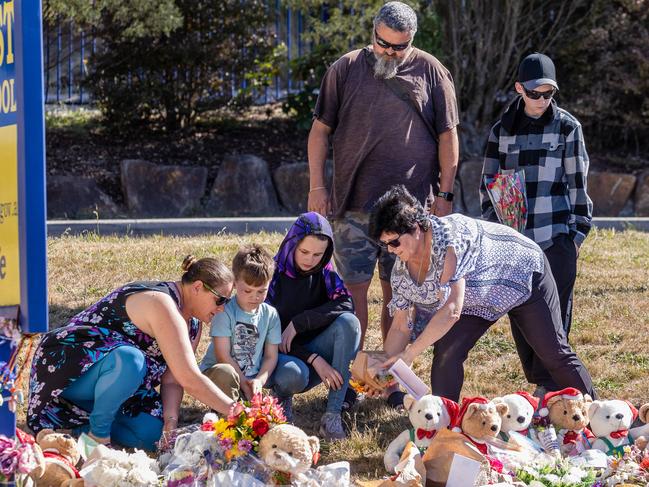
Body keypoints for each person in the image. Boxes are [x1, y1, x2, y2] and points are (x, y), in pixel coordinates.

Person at [307, 1, 460, 361]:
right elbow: (319, 132)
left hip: (409, 213)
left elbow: (448, 137)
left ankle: (389, 375)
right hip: (353, 204)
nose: (389, 53)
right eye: (383, 43)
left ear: (412, 40)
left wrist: (446, 192)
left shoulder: (433, 71)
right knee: (353, 292)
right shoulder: (344, 68)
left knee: (399, 295)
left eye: (399, 46)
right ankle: (353, 374)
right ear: (373, 33)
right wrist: (317, 186)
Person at [369, 185, 596, 403]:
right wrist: (384, 372)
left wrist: (409, 356)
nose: (390, 250)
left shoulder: (448, 239)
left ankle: (596, 414)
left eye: (394, 241)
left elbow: (451, 310)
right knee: (447, 353)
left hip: (522, 273)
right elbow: (400, 326)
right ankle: (445, 425)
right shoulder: (400, 271)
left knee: (553, 354)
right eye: (385, 244)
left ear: (416, 227)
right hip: (478, 297)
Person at [27, 256, 237, 451]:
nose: (222, 309)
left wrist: (170, 422)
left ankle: (80, 428)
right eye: (221, 300)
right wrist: (238, 412)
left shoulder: (193, 324)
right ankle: (97, 437)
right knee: (131, 360)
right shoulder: (162, 302)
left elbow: (173, 379)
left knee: (153, 436)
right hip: (69, 370)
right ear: (198, 287)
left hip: (116, 386)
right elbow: (190, 378)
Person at [480, 52, 593, 396]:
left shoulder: (568, 127)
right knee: (523, 317)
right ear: (519, 89)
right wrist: (494, 234)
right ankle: (541, 382)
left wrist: (576, 236)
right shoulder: (501, 132)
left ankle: (553, 388)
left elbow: (578, 183)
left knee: (555, 321)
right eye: (535, 93)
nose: (542, 100)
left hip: (556, 237)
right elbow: (489, 184)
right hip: (516, 245)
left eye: (549, 93)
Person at [265, 212, 361, 440]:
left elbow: (346, 302)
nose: (310, 260)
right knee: (291, 376)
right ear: (292, 243)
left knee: (350, 323)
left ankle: (333, 415)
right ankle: (282, 398)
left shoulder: (325, 273)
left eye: (318, 254)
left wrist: (300, 323)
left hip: (318, 347)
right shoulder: (273, 275)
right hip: (284, 356)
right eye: (304, 252)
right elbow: (271, 337)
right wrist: (314, 359)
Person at [199, 245, 281, 402]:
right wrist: (244, 384)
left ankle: (243, 405)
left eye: (261, 291)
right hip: (218, 376)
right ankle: (226, 409)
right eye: (247, 291)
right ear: (235, 283)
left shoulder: (270, 315)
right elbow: (223, 355)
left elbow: (271, 356)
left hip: (249, 378)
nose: (254, 297)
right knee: (226, 373)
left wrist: (259, 381)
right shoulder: (224, 311)